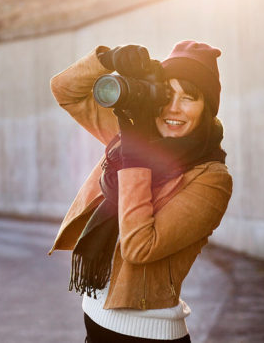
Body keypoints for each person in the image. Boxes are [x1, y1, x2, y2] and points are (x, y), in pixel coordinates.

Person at [48, 40, 233, 342]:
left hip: (148, 336)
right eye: (167, 93)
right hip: (96, 324)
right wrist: (109, 59)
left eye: (189, 97)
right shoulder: (139, 133)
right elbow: (64, 89)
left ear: (207, 108)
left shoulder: (211, 178)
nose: (173, 108)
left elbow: (138, 247)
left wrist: (134, 158)